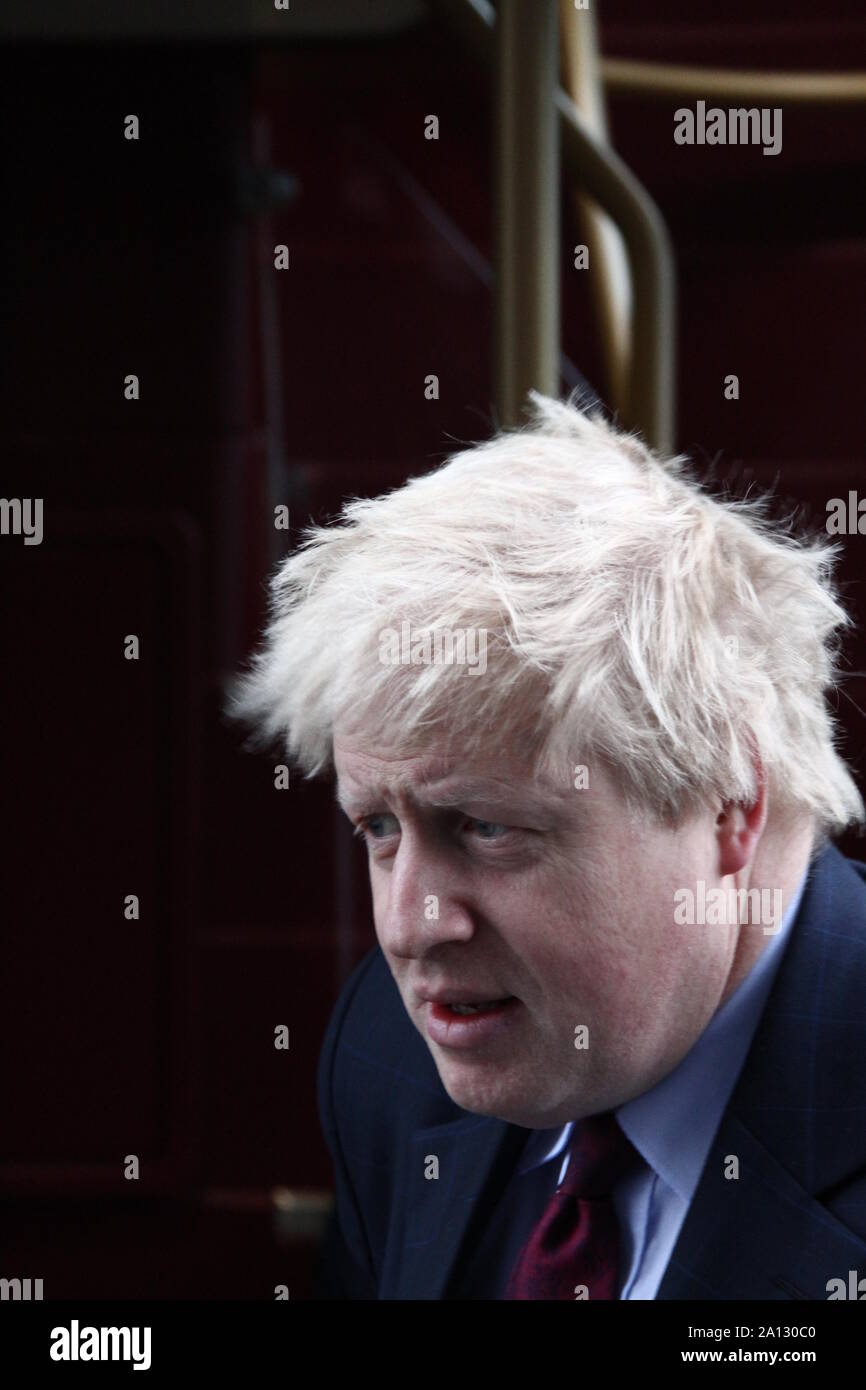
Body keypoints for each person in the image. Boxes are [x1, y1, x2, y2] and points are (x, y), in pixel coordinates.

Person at [226, 390, 866, 1299]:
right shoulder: (392, 1055)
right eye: (378, 827)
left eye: (487, 828)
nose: (409, 927)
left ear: (732, 802)